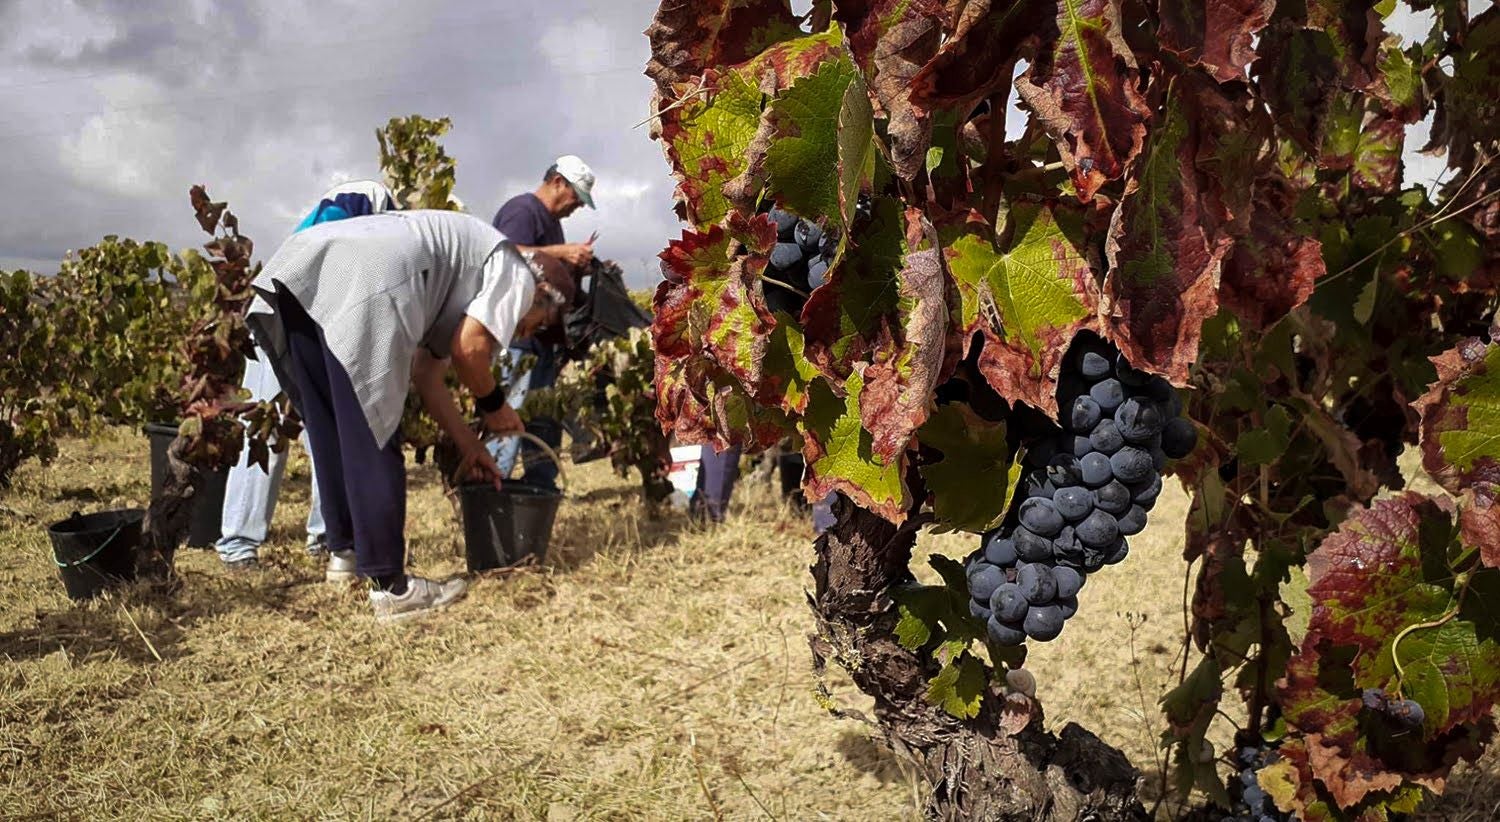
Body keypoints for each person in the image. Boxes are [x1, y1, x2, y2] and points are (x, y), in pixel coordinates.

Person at [245, 210, 576, 621]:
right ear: (541, 293)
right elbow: (469, 351)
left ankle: (345, 554)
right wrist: (495, 407)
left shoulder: (463, 283)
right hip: (369, 272)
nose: (526, 334)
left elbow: (427, 375)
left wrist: (469, 445)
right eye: (538, 324)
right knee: (375, 422)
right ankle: (391, 587)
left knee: (334, 424)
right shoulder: (518, 274)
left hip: (305, 263)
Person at [215, 180, 398, 573]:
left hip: (312, 320)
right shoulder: (361, 200)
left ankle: (327, 536)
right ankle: (238, 543)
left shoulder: (349, 208)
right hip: (284, 317)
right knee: (264, 429)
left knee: (327, 431)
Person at [487, 155, 597, 489]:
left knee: (544, 416)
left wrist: (577, 268)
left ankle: (539, 486)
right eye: (576, 196)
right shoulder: (523, 210)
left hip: (544, 342)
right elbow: (503, 253)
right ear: (558, 182)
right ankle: (493, 486)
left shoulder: (551, 222)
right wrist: (562, 253)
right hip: (518, 339)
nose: (577, 205)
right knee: (510, 416)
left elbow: (544, 269)